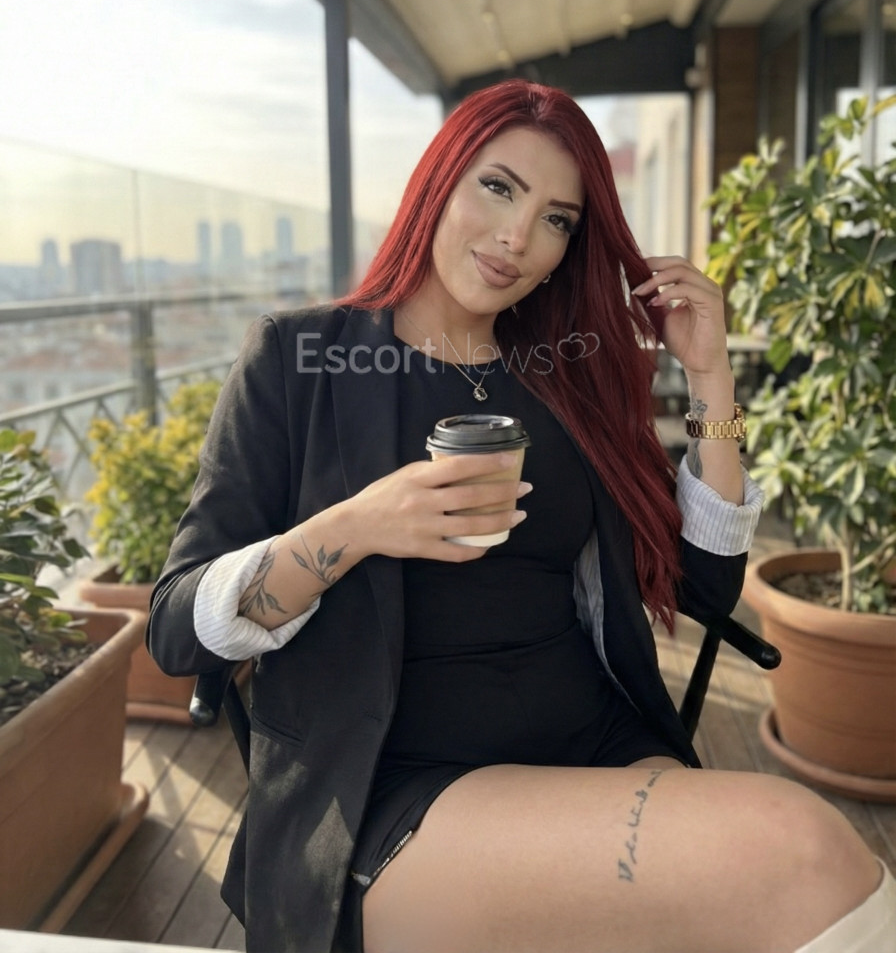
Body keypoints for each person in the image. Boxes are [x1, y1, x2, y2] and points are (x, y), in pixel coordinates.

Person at [148, 80, 894, 953]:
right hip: (390, 786)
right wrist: (354, 528)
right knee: (801, 853)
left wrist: (710, 377)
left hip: (598, 741)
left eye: (556, 220)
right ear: (440, 180)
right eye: (498, 188)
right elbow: (177, 629)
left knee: (790, 887)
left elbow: (703, 583)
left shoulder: (564, 376)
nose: (517, 237)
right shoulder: (300, 359)